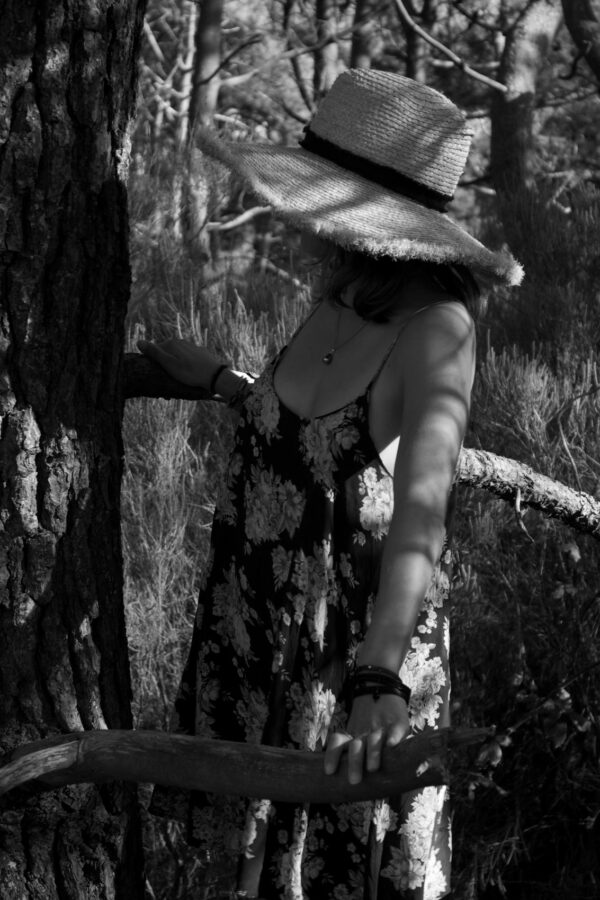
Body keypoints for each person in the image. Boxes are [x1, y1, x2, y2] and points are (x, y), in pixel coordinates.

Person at [140, 70, 522, 900]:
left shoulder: (438, 329)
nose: (296, 218)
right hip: (254, 641)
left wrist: (377, 679)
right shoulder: (343, 297)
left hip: (346, 656)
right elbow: (318, 450)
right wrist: (228, 384)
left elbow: (422, 515)